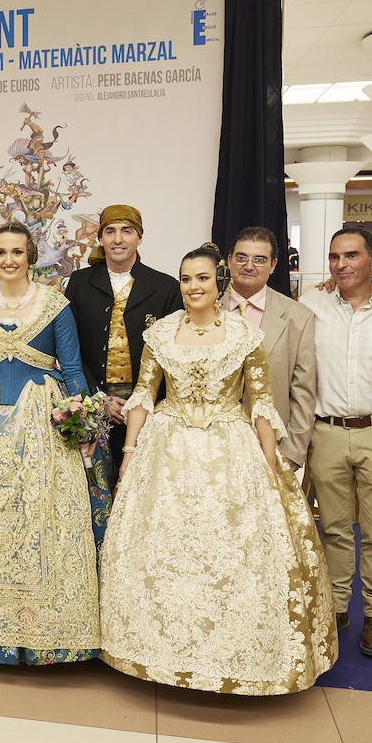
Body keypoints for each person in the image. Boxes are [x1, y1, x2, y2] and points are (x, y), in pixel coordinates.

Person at [99, 243, 336, 694]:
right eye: (186, 279)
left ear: (218, 282)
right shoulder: (160, 334)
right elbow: (144, 396)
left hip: (230, 448)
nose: (193, 287)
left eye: (202, 279)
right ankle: (157, 652)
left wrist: (271, 463)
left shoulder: (245, 335)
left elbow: (262, 401)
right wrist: (129, 454)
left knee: (236, 554)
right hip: (165, 451)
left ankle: (232, 659)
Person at [0, 221, 99, 664]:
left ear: (31, 256)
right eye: (1, 253)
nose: (9, 260)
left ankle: (43, 630)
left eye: (17, 252)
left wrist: (82, 421)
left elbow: (71, 368)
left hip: (41, 424)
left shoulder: (55, 305)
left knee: (38, 516)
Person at [300, 227, 372, 658]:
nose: (341, 264)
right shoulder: (311, 303)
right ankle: (337, 606)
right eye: (334, 257)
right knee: (334, 528)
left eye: (351, 256)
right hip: (325, 431)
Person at [64, 204, 181, 500]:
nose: (118, 239)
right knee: (94, 495)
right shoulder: (80, 284)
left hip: (149, 411)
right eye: (110, 231)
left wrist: (142, 404)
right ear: (101, 239)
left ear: (139, 238)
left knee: (143, 497)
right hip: (93, 406)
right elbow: (69, 350)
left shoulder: (165, 287)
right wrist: (99, 400)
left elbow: (173, 358)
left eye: (126, 231)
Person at [222, 226, 317, 469]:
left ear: (274, 265)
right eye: (241, 257)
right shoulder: (204, 308)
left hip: (272, 446)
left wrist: (293, 453)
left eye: (259, 259)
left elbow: (303, 391)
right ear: (229, 260)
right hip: (213, 445)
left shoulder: (298, 317)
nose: (249, 266)